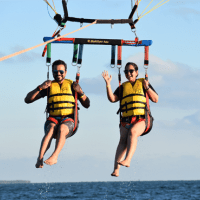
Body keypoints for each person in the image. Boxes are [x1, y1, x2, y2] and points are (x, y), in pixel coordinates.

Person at [25, 59, 90, 168]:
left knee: (62, 129)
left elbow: (87, 104)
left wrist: (81, 92)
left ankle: (54, 156)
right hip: (53, 119)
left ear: (66, 72)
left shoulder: (73, 85)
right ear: (52, 72)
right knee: (50, 130)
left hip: (69, 119)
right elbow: (27, 99)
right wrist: (40, 87)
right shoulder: (49, 86)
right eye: (55, 72)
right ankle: (40, 159)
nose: (58, 74)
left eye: (61, 71)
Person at [102, 62, 158, 177]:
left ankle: (127, 160)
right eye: (126, 71)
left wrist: (147, 87)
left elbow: (155, 99)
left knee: (132, 133)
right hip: (126, 120)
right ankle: (116, 170)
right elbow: (112, 99)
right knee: (122, 140)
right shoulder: (123, 87)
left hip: (142, 120)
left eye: (131, 71)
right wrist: (108, 84)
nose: (129, 73)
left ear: (136, 72)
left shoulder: (143, 83)